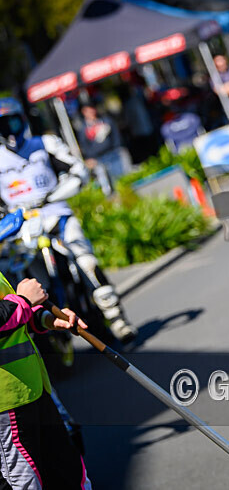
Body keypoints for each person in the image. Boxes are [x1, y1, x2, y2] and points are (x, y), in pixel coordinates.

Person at [0, 98, 137, 343]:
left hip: (56, 215)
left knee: (86, 261)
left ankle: (116, 318)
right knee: (23, 278)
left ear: (22, 119)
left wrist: (52, 196)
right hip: (20, 229)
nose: (9, 130)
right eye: (2, 125)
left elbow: (79, 172)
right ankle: (43, 330)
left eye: (13, 122)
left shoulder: (44, 144)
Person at [0, 273, 91, 489]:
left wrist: (48, 319)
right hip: (6, 405)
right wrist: (24, 300)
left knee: (70, 474)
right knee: (27, 483)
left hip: (34, 390)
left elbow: (12, 321)